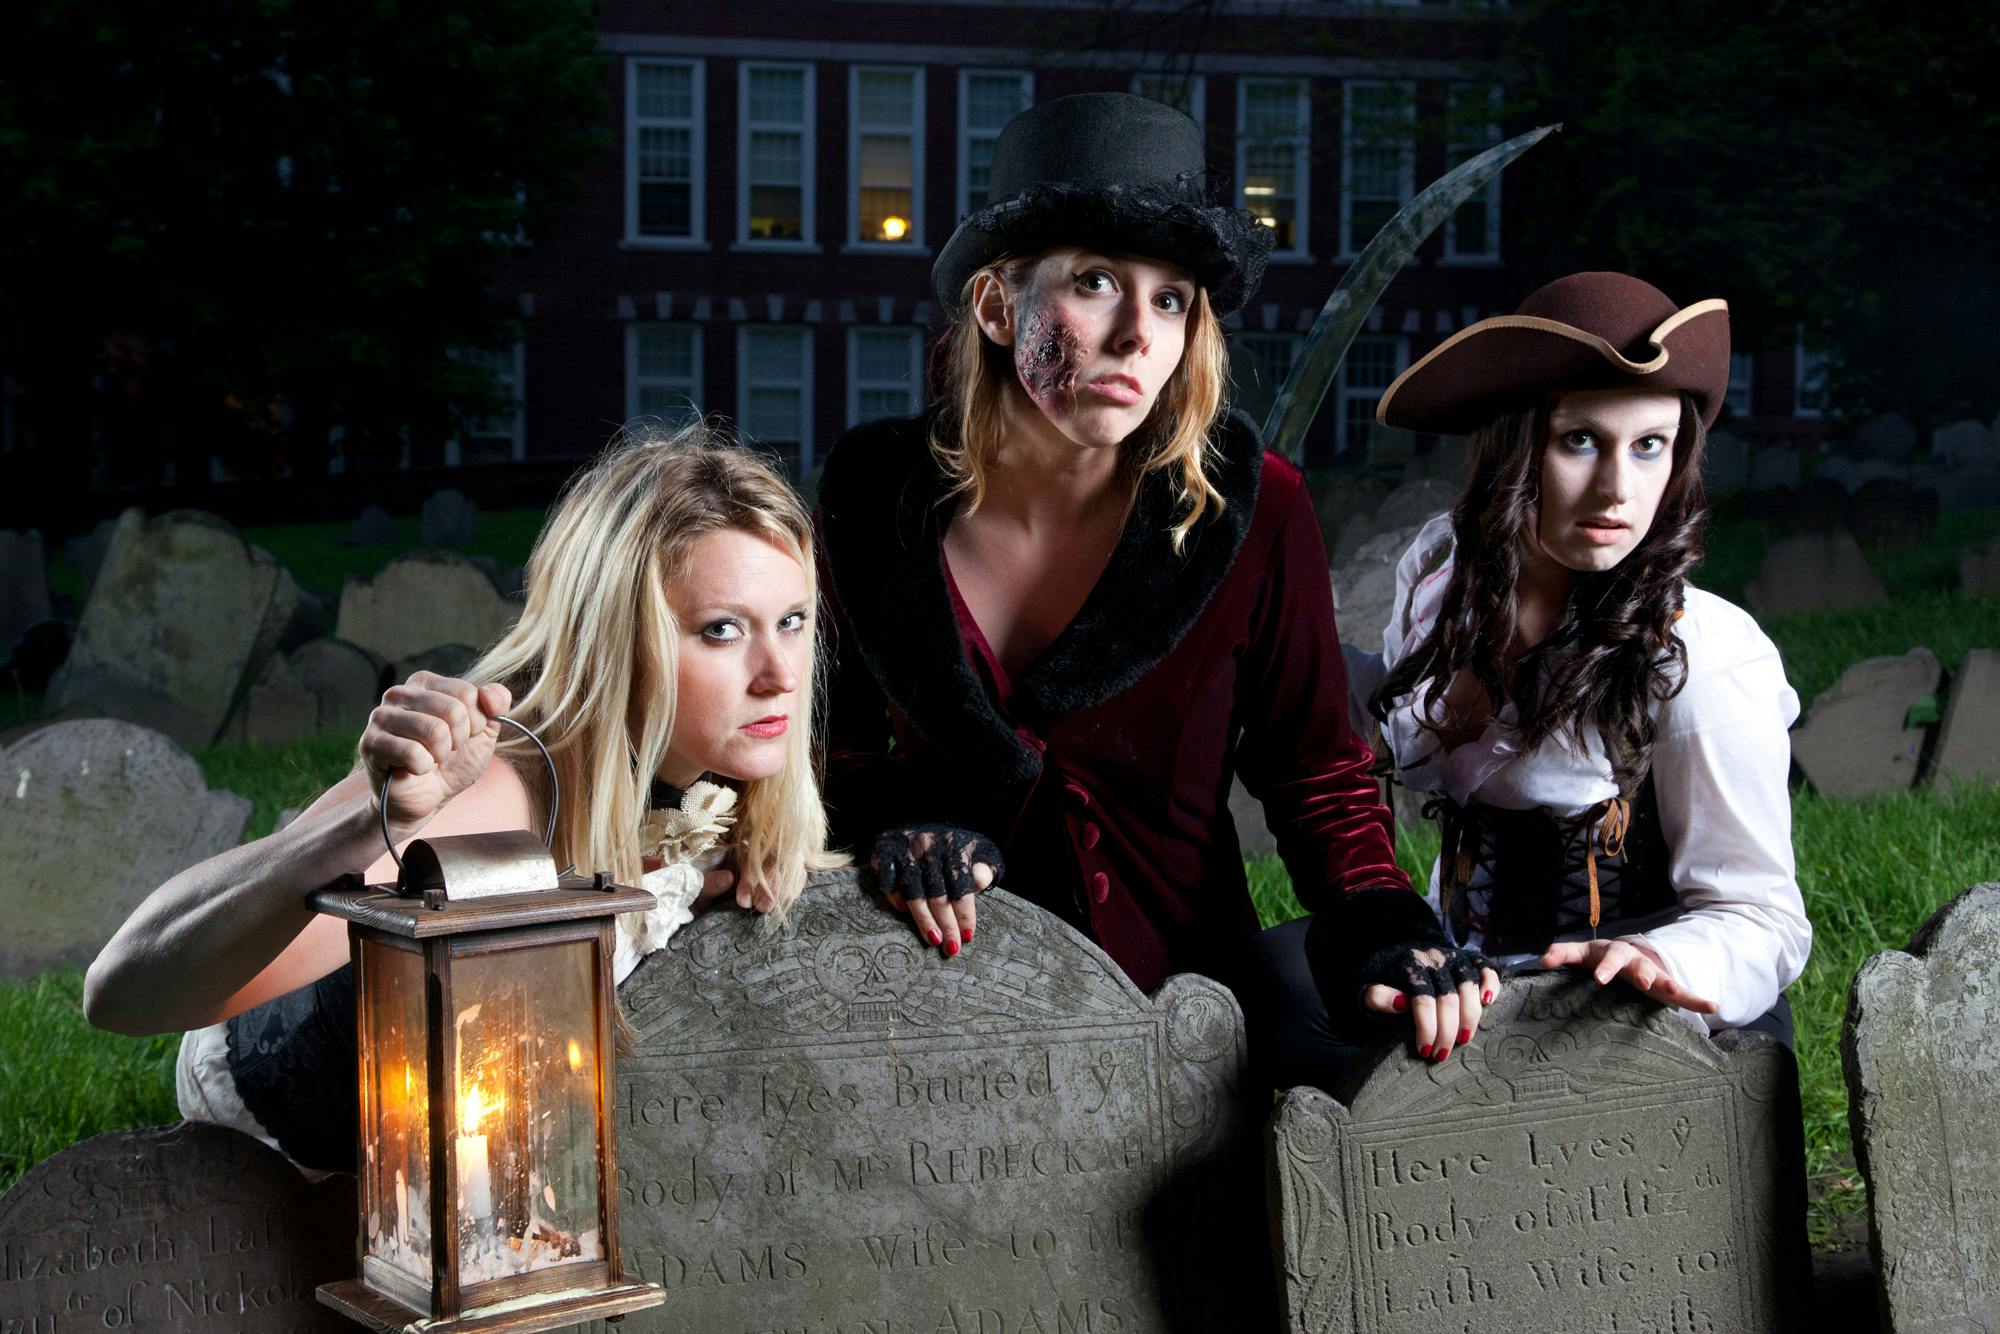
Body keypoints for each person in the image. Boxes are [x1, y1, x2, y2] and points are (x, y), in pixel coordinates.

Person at [815, 91, 1497, 1086]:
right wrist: (890, 825)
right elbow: (818, 750)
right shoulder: (872, 494)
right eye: (1094, 282)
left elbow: (1315, 775)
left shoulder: (1254, 508)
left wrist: (1381, 920)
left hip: (1177, 1015)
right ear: (998, 306)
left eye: (1172, 297)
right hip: (923, 1010)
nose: (1138, 332)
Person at [83, 422, 843, 1170]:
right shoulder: (501, 793)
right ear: (620, 637)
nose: (779, 671)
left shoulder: (733, 770)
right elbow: (122, 992)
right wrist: (370, 823)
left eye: (792, 620)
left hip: (486, 1142)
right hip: (298, 1141)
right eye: (721, 630)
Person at [1332, 271, 1811, 1040]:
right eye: (1580, 440)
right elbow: (1394, 713)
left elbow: (1762, 919)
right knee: (1275, 986)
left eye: (1650, 446)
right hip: (1473, 979)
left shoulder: (1700, 656)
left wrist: (1654, 956)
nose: (1618, 488)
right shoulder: (1442, 585)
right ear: (1513, 445)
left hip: (1648, 1020)